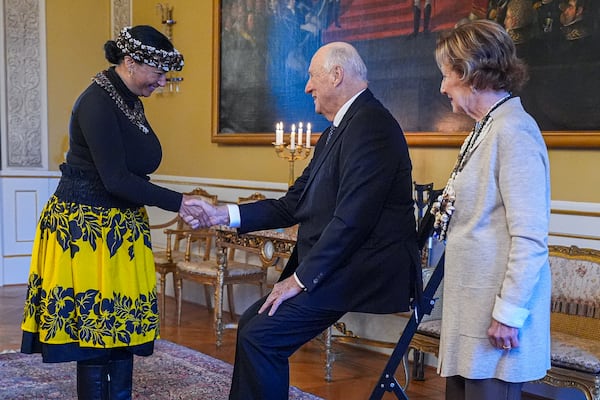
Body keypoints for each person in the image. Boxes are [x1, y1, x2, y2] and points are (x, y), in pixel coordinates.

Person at [183, 41, 421, 400]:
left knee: (262, 335)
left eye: (312, 77)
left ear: (337, 75)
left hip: (361, 267)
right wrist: (223, 214)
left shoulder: (372, 126)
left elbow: (352, 220)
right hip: (341, 263)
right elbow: (292, 204)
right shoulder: (335, 133)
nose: (308, 86)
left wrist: (300, 279)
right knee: (253, 325)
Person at [20, 25, 202, 400]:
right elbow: (116, 179)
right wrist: (181, 202)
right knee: (93, 334)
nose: (163, 82)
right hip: (84, 229)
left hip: (120, 228)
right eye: (157, 72)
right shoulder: (95, 102)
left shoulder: (130, 98)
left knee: (120, 329)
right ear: (130, 62)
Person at [431, 19, 551, 400]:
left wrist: (509, 313)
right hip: (473, 310)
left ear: (470, 73)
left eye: (447, 74)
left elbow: (530, 237)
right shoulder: (487, 127)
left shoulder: (514, 131)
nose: (443, 86)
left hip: (495, 321)